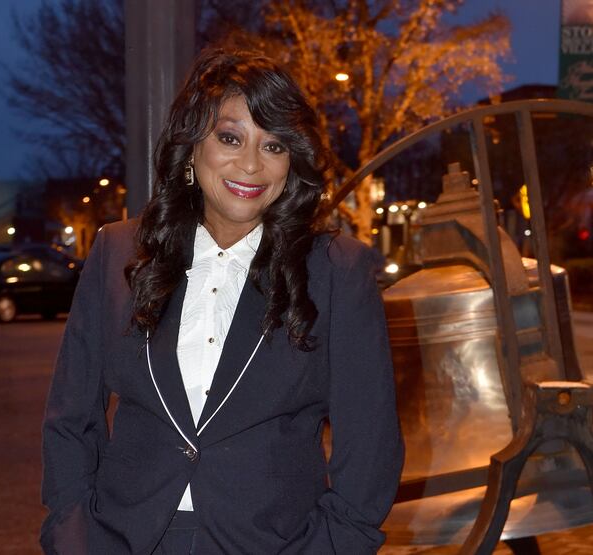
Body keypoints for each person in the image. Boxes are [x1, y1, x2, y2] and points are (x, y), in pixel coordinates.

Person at [40, 48, 404, 554]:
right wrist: (72, 531)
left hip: (276, 543)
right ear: (192, 146)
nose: (251, 165)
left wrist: (335, 545)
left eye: (273, 146)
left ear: (291, 161)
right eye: (230, 138)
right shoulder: (119, 251)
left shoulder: (337, 270)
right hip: (125, 537)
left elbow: (370, 444)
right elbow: (71, 414)